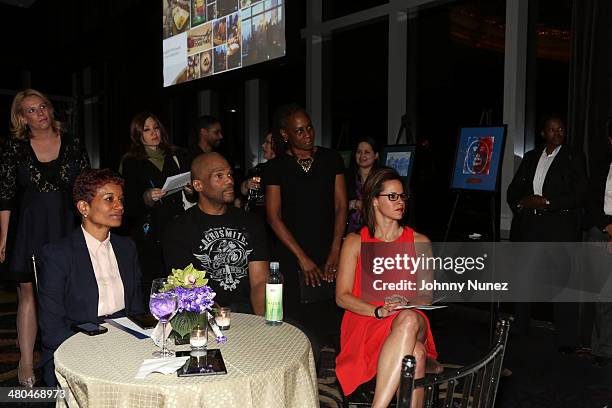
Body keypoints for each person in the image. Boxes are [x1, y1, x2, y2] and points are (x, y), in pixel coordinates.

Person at [0, 89, 90, 387]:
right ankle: (26, 362)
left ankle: (71, 358)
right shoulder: (15, 148)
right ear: (21, 118)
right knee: (28, 296)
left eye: (42, 107)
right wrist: (3, 239)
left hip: (67, 225)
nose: (39, 113)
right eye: (31, 110)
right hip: (28, 228)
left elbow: (87, 187)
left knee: (68, 293)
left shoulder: (74, 142)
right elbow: (6, 196)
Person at [335, 167, 437, 408]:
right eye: (392, 196)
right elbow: (342, 297)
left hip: (410, 318)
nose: (400, 202)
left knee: (409, 319)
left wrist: (406, 304)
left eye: (402, 197)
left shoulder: (420, 242)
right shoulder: (355, 242)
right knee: (417, 355)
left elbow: (427, 296)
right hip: (366, 321)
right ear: (373, 201)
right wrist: (379, 310)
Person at [37, 169, 144, 386]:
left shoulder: (126, 248)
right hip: (75, 346)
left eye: (121, 199)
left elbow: (136, 311)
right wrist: (100, 347)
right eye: (109, 199)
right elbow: (52, 331)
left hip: (124, 341)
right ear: (83, 207)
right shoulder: (58, 255)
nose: (120, 206)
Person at [264, 103, 347, 339]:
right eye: (299, 131)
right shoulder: (275, 167)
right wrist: (302, 258)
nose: (308, 134)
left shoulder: (331, 159)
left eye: (309, 128)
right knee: (297, 325)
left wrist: (335, 250)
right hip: (292, 253)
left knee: (333, 317)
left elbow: (341, 207)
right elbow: (273, 216)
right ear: (285, 134)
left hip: (328, 247)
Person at [507, 115, 587, 351]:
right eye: (552, 129)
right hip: (530, 228)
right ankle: (520, 329)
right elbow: (513, 190)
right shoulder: (531, 156)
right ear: (543, 133)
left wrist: (548, 202)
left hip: (559, 229)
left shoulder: (574, 156)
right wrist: (523, 203)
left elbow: (580, 193)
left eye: (561, 129)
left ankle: (566, 341)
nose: (557, 133)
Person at [163, 152, 269, 315]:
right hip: (203, 316)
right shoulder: (179, 228)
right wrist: (222, 320)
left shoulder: (251, 222)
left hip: (248, 313)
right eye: (219, 176)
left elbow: (260, 282)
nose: (229, 180)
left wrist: (262, 324)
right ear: (198, 185)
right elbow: (189, 287)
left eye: (229, 174)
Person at [120, 112, 191, 294]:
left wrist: (191, 192)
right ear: (138, 134)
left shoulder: (176, 155)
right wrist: (147, 197)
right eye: (147, 129)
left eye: (156, 127)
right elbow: (127, 203)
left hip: (177, 225)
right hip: (149, 231)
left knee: (181, 277)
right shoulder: (131, 162)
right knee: (153, 282)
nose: (154, 133)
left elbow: (189, 194)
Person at [585, 128, 612, 367]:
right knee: (603, 296)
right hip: (600, 233)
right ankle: (603, 349)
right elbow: (591, 203)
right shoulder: (601, 167)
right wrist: (607, 226)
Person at [346, 137, 380, 234]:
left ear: (376, 155)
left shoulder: (383, 178)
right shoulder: (347, 177)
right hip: (350, 231)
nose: (362, 155)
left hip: (377, 229)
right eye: (359, 152)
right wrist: (355, 203)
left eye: (367, 152)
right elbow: (339, 204)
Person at [240, 132, 276, 213]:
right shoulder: (259, 169)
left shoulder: (286, 171)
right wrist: (246, 185)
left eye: (267, 142)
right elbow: (242, 193)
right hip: (256, 219)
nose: (263, 145)